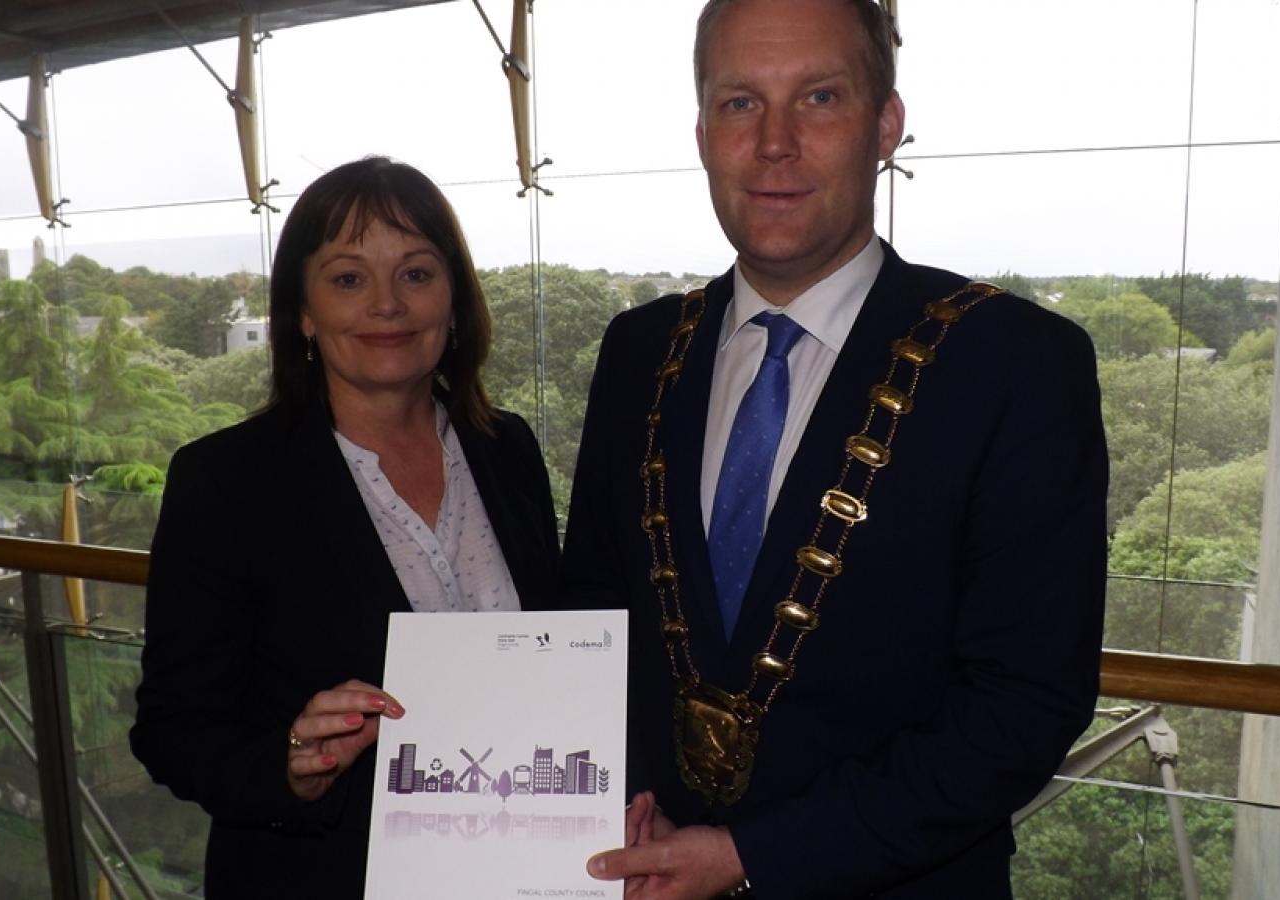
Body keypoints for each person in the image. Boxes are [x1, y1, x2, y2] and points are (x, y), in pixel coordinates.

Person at [561, 1, 1108, 897]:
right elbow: (595, 613)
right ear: (702, 131)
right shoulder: (638, 352)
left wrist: (752, 858)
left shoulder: (1016, 364)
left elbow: (1023, 707)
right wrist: (618, 801)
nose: (774, 142)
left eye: (819, 97)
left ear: (885, 126)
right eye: (740, 103)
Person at [130, 156, 560, 896]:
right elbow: (173, 730)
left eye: (417, 274)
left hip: (520, 871)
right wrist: (290, 761)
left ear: (454, 301)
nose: (387, 305)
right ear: (302, 311)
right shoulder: (224, 482)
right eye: (349, 278)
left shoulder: (508, 449)